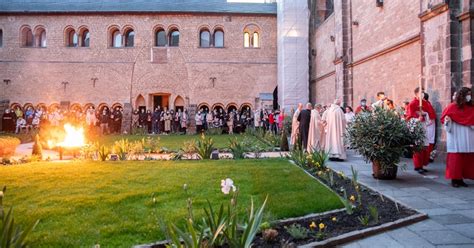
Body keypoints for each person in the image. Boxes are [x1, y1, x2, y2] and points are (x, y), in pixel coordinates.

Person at [441, 87, 474, 187]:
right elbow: (445, 120)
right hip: (456, 135)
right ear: (462, 95)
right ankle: (455, 179)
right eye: (468, 94)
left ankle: (461, 178)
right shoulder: (452, 107)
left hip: (468, 135)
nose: (469, 96)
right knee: (456, 158)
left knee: (465, 158)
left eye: (470, 94)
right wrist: (447, 120)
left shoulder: (471, 108)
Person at [406, 87, 434, 173]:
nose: (423, 94)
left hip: (424, 126)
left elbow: (430, 114)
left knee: (424, 146)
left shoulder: (425, 103)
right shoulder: (412, 104)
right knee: (418, 146)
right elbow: (409, 118)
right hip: (417, 127)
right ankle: (417, 166)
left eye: (423, 92)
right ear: (416, 94)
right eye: (421, 92)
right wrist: (418, 118)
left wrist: (425, 114)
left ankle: (421, 164)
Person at [423, 93, 437, 162]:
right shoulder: (426, 104)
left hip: (429, 126)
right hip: (428, 125)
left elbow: (430, 118)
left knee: (428, 142)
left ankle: (427, 157)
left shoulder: (427, 105)